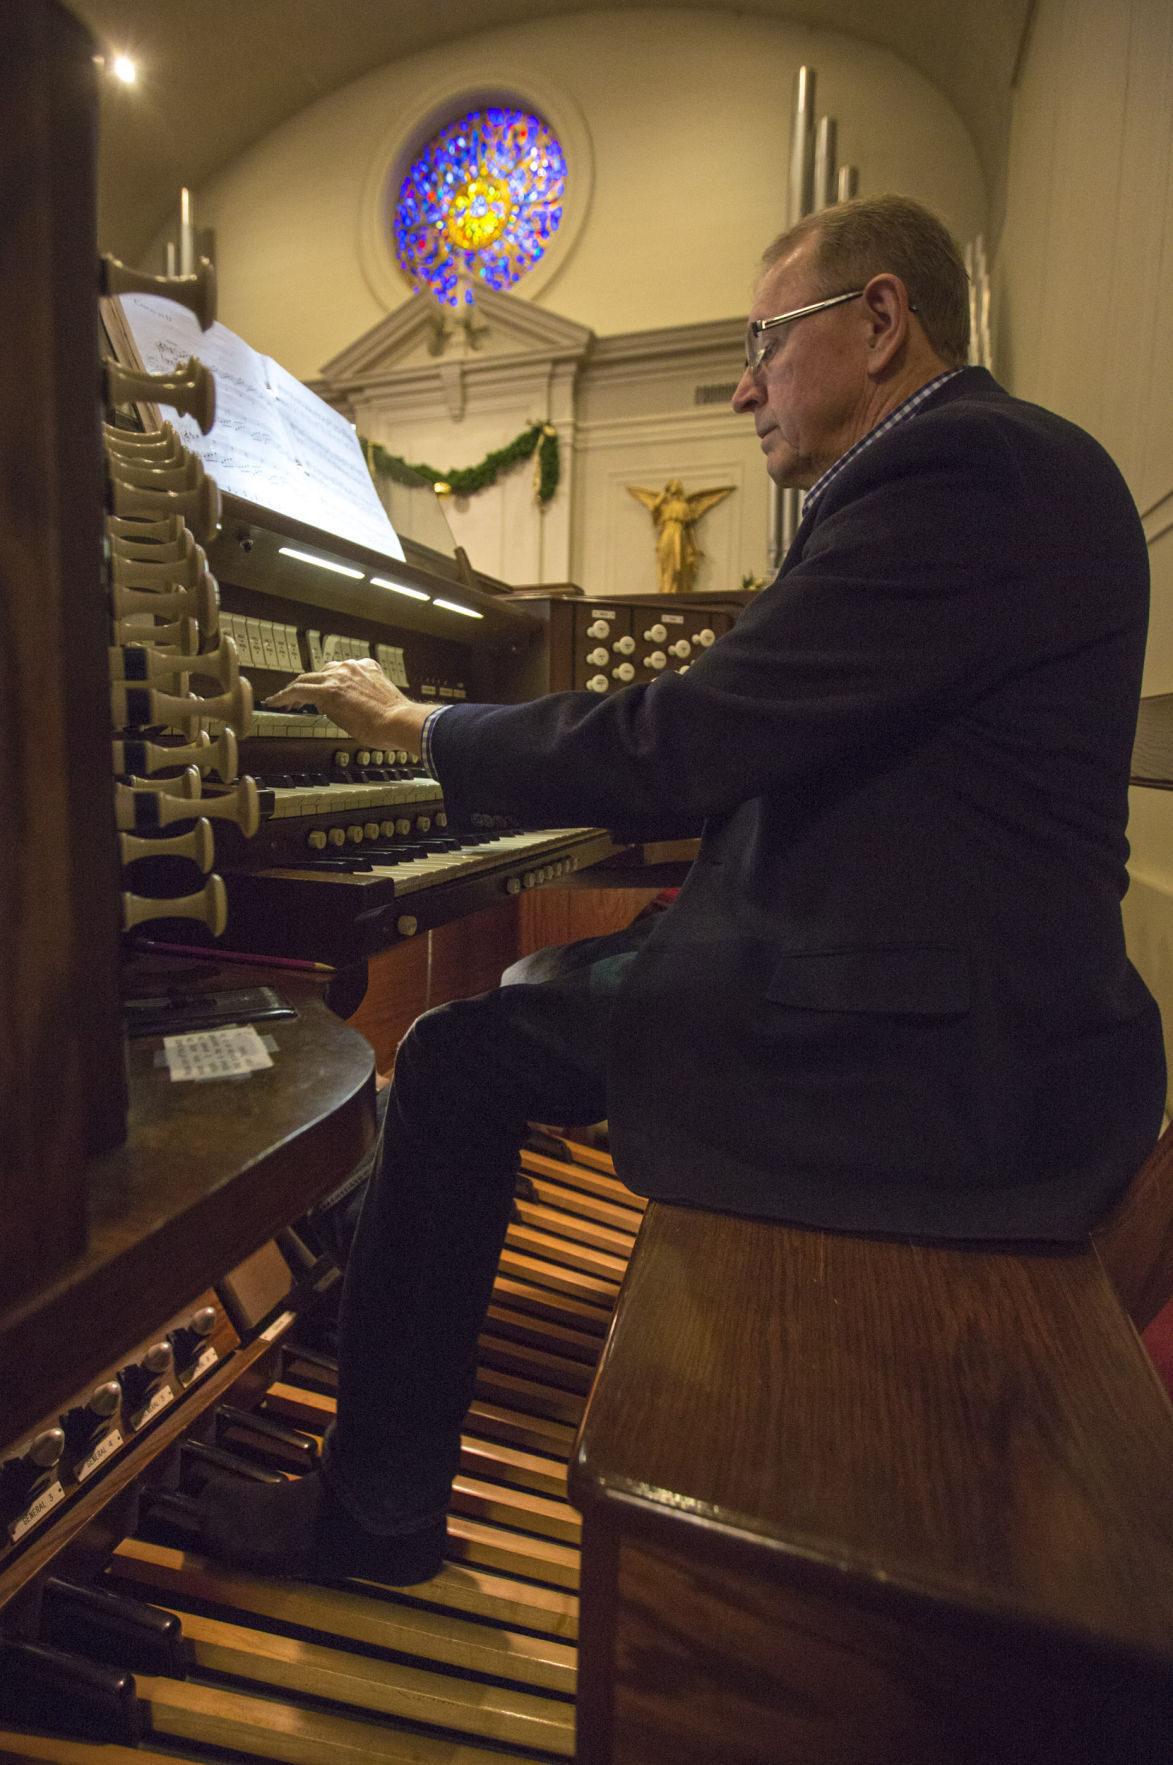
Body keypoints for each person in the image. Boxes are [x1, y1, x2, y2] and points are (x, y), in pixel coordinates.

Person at [197, 194, 1165, 1583]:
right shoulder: (975, 471)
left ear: (881, 321)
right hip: (916, 987)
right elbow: (750, 740)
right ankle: (358, 1272)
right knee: (520, 1001)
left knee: (459, 1053)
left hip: (929, 1062)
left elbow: (689, 740)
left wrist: (421, 729)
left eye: (765, 340)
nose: (739, 381)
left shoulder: (960, 476)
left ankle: (376, 1510)